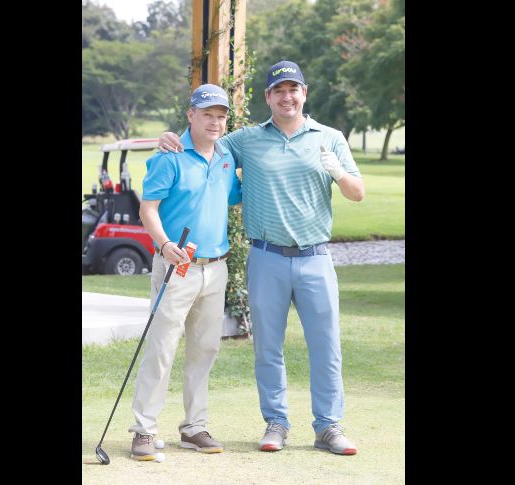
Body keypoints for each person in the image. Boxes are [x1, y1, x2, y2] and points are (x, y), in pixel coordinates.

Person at [159, 61, 365, 455]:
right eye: (279, 91)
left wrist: (337, 171)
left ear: (304, 93)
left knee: (326, 344)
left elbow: (357, 193)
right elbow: (203, 142)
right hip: (266, 257)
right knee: (268, 346)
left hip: (316, 258)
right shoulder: (246, 140)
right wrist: (171, 137)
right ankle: (276, 423)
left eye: (294, 89)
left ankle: (329, 426)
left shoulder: (330, 137)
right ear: (268, 97)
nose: (287, 97)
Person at [127, 83, 242, 461]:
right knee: (162, 347)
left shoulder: (225, 156)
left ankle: (194, 427)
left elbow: (236, 195)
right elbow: (149, 209)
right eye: (206, 114)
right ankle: (143, 430)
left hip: (216, 267)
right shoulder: (169, 155)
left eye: (220, 115)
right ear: (190, 115)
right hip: (177, 266)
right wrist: (163, 244)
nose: (214, 121)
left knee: (205, 349)